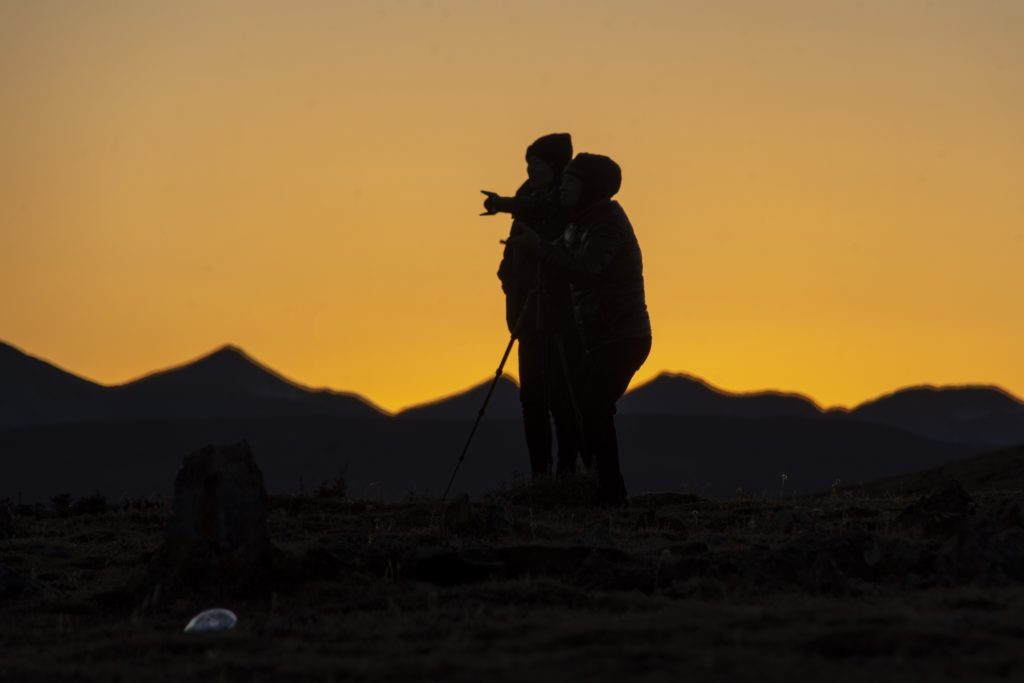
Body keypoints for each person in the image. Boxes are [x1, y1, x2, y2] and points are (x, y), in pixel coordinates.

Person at [505, 152, 651, 504]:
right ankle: (601, 489)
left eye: (571, 181)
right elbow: (558, 253)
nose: (564, 187)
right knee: (585, 407)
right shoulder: (580, 222)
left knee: (593, 406)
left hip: (623, 335)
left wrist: (538, 248)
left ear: (591, 187)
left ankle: (609, 492)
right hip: (600, 337)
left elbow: (586, 269)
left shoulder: (607, 224)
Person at [486, 133, 584, 478]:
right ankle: (539, 476)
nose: (530, 169)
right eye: (528, 163)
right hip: (527, 314)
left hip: (560, 315)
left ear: (555, 167)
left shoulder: (567, 204)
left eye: (537, 163)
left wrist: (504, 204)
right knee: (532, 399)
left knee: (561, 396)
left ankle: (567, 469)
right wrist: (510, 282)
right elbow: (511, 253)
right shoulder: (525, 200)